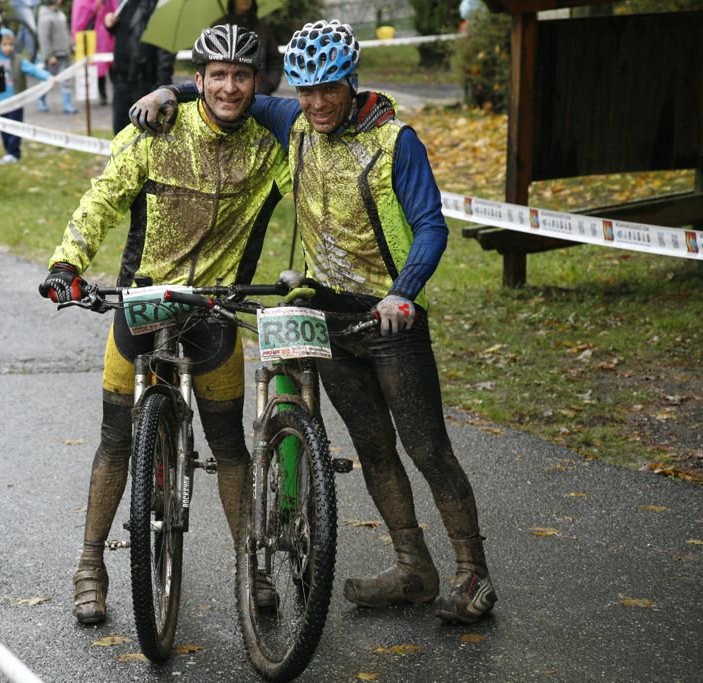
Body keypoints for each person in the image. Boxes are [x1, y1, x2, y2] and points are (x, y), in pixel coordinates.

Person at [131, 19, 498, 625]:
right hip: (328, 312)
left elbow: (432, 226)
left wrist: (404, 293)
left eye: (329, 88)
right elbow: (230, 90)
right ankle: (414, 569)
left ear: (351, 81)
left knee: (428, 448)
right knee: (373, 450)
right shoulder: (291, 119)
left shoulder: (394, 141)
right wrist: (171, 90)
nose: (317, 102)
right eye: (305, 90)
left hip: (390, 320)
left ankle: (473, 574)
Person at [38, 25, 290, 626]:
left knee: (231, 446)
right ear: (198, 81)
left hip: (215, 308)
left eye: (241, 76)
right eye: (217, 76)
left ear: (256, 84)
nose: (229, 87)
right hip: (144, 299)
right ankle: (90, 563)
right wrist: (67, 263)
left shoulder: (268, 148)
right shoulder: (156, 129)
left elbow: (311, 197)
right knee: (116, 436)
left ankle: (250, 565)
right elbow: (103, 197)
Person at [103, 0, 173, 134]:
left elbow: (165, 48)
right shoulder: (125, 3)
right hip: (121, 79)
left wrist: (163, 88)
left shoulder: (157, 5)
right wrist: (110, 26)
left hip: (143, 81)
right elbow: (126, 33)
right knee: (120, 133)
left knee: (142, 135)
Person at [0, 26, 50, 164]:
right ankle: (8, 151)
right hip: (0, 102)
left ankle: (14, 152)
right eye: (5, 44)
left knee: (15, 128)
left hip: (16, 101)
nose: (8, 48)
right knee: (3, 128)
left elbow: (33, 70)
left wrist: (48, 77)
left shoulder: (18, 60)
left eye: (11, 44)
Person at [212, 0, 281, 95]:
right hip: (228, 95)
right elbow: (211, 63)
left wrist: (269, 84)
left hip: (261, 95)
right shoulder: (218, 27)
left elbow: (275, 61)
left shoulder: (263, 29)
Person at [36, 0, 77, 114]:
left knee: (66, 80)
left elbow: (65, 32)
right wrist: (49, 55)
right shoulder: (45, 17)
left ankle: (67, 104)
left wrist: (71, 46)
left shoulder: (60, 14)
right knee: (47, 80)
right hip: (53, 56)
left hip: (64, 53)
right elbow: (43, 38)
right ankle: (41, 100)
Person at [70, 0, 114, 106]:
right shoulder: (81, 2)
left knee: (112, 64)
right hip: (91, 37)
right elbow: (80, 18)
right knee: (97, 67)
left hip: (107, 36)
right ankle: (102, 94)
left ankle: (117, 92)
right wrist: (96, 5)